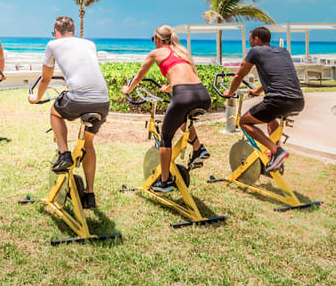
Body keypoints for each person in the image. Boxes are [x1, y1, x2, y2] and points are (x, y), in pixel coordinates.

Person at [28, 16, 110, 209]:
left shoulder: (52, 44)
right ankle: (89, 194)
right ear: (73, 31)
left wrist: (37, 98)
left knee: (55, 113)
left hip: (78, 99)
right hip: (103, 101)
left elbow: (46, 79)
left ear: (56, 32)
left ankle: (64, 153)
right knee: (88, 144)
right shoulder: (89, 44)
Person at [121, 25, 211, 193]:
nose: (152, 42)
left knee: (166, 137)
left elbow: (139, 75)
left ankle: (164, 181)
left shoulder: (156, 53)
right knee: (183, 121)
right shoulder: (182, 51)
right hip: (203, 95)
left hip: (183, 95)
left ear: (158, 39)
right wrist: (169, 87)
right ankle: (198, 148)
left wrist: (128, 90)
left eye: (152, 39)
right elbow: (185, 74)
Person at [224, 26, 305, 172]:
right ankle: (277, 158)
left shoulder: (255, 51)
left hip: (277, 101)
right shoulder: (283, 51)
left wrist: (230, 93)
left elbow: (238, 76)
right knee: (270, 118)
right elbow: (278, 77)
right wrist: (257, 91)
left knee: (244, 122)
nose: (250, 45)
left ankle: (276, 151)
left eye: (251, 42)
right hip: (298, 101)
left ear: (256, 39)